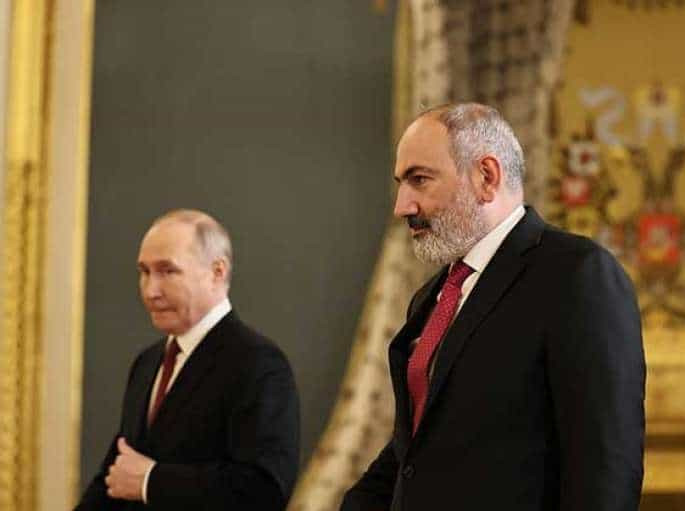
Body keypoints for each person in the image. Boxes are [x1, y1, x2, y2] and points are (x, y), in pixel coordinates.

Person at [341, 103, 645, 510]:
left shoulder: (576, 275)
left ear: (486, 177)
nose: (402, 206)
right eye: (401, 183)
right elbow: (416, 447)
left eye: (419, 180)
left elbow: (606, 464)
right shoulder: (432, 296)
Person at [76, 209, 299, 511]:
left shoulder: (259, 363)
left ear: (217, 272)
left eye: (167, 271)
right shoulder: (147, 363)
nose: (151, 291)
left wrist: (151, 482)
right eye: (144, 272)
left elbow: (265, 490)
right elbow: (116, 477)